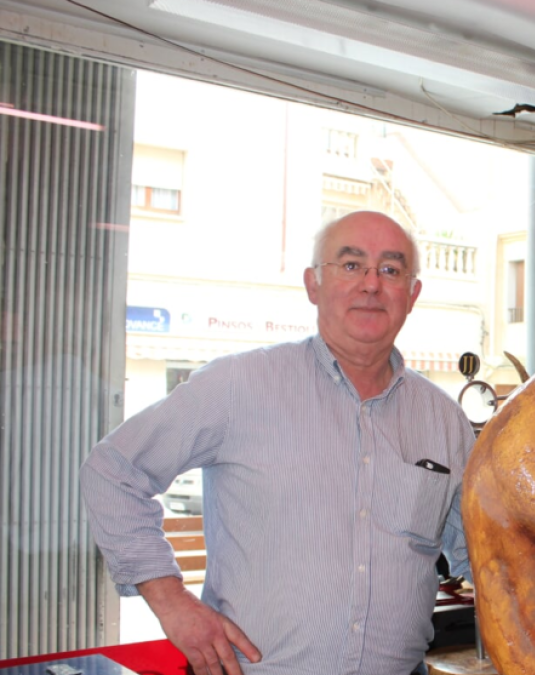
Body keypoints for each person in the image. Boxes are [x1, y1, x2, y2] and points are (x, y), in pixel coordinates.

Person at [81, 211, 474, 675]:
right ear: (313, 284)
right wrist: (172, 602)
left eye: (391, 270)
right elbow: (112, 471)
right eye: (351, 265)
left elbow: (485, 555)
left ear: (412, 294)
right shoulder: (238, 385)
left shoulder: (445, 420)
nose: (371, 284)